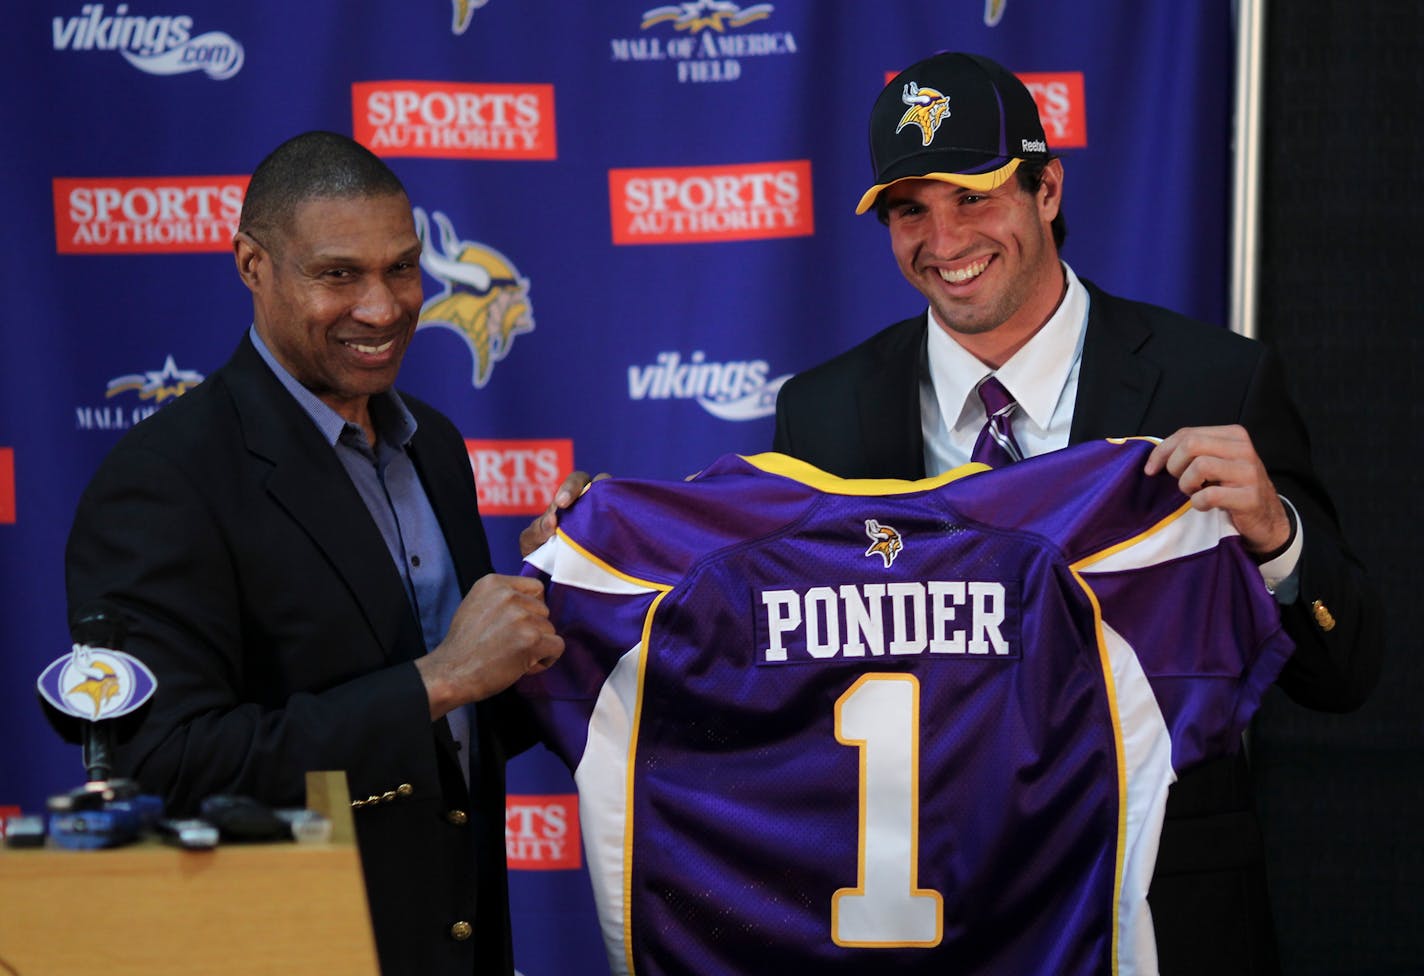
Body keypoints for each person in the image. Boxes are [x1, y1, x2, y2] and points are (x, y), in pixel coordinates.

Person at [771, 52, 1382, 974]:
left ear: (1046, 188)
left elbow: (1347, 672)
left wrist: (1277, 538)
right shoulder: (819, 412)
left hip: (1157, 912)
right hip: (923, 922)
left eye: (973, 197)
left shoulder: (1214, 379)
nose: (943, 241)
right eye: (910, 210)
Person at [65, 131, 564, 976]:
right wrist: (439, 678)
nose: (382, 307)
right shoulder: (161, 480)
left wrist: (561, 599)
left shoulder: (433, 443)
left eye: (403, 268)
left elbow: (462, 731)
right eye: (338, 275)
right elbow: (161, 769)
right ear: (252, 265)